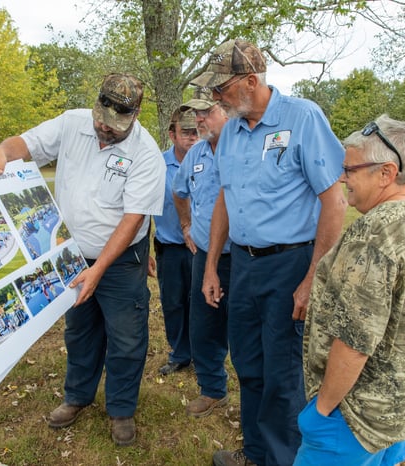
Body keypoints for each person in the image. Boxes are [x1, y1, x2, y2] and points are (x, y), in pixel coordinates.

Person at [0, 73, 164, 447]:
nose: (103, 129)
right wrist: (3, 150)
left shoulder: (146, 153)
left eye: (114, 126)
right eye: (101, 119)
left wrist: (99, 269)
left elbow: (132, 220)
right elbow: (27, 144)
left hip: (121, 261)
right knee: (80, 329)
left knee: (126, 337)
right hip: (71, 255)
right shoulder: (71, 122)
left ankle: (121, 409)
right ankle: (77, 397)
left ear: (136, 113)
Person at [194, 39, 347, 466]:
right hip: (242, 264)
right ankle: (256, 454)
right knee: (247, 361)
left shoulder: (302, 118)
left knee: (282, 373)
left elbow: (335, 202)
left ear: (250, 80)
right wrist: (211, 266)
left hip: (290, 264)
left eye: (221, 88)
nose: (215, 97)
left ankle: (284, 459)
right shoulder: (232, 132)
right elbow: (225, 198)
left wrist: (313, 278)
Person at [294, 115, 405, 466]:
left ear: (386, 173)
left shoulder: (372, 237)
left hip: (353, 418)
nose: (341, 177)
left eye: (350, 169)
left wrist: (321, 411)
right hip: (400, 408)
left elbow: (354, 342)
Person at [173, 87, 231, 417]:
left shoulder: (241, 148)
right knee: (203, 324)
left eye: (205, 111)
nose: (198, 119)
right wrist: (186, 227)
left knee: (242, 326)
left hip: (243, 256)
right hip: (205, 255)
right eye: (195, 113)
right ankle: (213, 391)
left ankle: (260, 396)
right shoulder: (195, 155)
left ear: (226, 111)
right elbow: (179, 192)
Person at [153, 108, 198, 376]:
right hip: (169, 247)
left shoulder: (210, 159)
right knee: (173, 303)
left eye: (196, 132)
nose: (192, 138)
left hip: (201, 248)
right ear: (172, 134)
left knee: (202, 303)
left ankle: (204, 354)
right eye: (185, 133)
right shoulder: (158, 165)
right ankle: (180, 354)